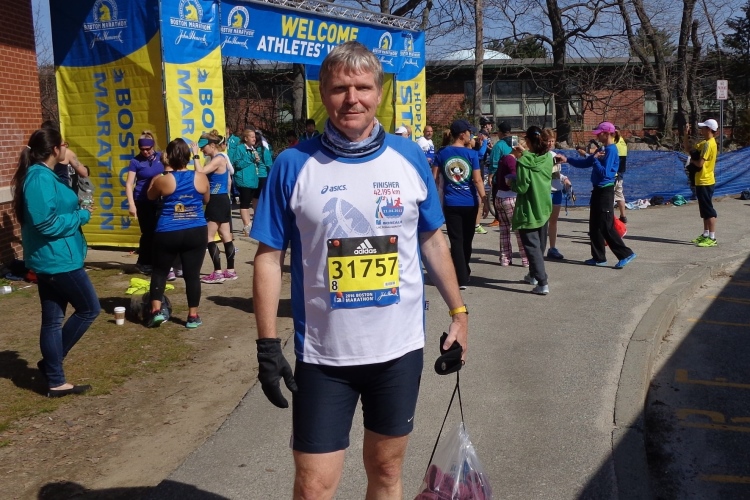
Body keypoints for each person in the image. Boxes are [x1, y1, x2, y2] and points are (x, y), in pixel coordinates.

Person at [250, 41, 468, 499]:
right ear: (323, 95)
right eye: (339, 89)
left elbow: (432, 239)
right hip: (324, 357)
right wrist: (267, 345)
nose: (352, 99)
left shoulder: (410, 157)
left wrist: (459, 314)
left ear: (379, 92)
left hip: (398, 351)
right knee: (313, 486)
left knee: (386, 472)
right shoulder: (293, 164)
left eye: (363, 87)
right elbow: (269, 257)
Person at [12, 128, 100, 397]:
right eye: (64, 144)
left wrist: (78, 209)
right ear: (54, 150)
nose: (66, 148)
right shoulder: (39, 178)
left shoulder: (45, 175)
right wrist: (81, 217)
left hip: (55, 257)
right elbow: (46, 223)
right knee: (89, 309)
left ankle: (55, 380)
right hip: (57, 260)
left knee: (52, 320)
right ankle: (53, 366)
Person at [146, 138, 209, 328]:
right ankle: (192, 316)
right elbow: (206, 200)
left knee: (160, 271)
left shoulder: (163, 179)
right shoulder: (201, 177)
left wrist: (155, 181)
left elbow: (150, 196)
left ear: (169, 157)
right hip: (195, 229)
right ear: (188, 157)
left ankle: (156, 311)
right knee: (192, 275)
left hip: (168, 230)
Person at [562, 122, 637, 268]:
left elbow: (605, 173)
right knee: (594, 225)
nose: (597, 136)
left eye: (599, 133)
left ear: (607, 133)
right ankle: (599, 257)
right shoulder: (602, 149)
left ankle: (625, 254)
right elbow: (587, 162)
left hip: (606, 191)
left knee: (606, 225)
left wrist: (595, 159)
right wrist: (567, 160)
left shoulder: (612, 150)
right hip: (597, 190)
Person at [434, 119, 489, 289]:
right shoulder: (471, 155)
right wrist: (485, 200)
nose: (471, 135)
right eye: (469, 133)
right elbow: (477, 180)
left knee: (456, 240)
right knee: (467, 240)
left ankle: (461, 275)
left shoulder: (442, 153)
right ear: (462, 134)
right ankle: (464, 273)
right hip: (469, 202)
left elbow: (434, 178)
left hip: (451, 202)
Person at [506, 126, 554, 295]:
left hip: (528, 209)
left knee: (532, 247)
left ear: (528, 141)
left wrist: (511, 183)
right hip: (544, 206)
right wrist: (525, 153)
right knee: (539, 244)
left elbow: (522, 187)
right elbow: (535, 159)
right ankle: (533, 275)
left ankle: (542, 281)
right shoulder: (548, 157)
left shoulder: (523, 162)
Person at [193, 130, 237, 283]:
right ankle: (230, 271)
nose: (201, 150)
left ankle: (217, 272)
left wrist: (195, 155)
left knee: (209, 236)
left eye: (203, 148)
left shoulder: (218, 159)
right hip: (223, 199)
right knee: (225, 235)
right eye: (200, 149)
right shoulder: (218, 158)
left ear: (212, 145)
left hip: (216, 200)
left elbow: (200, 172)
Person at [126, 131, 165, 275]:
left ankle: (159, 261)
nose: (145, 152)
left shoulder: (161, 157)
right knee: (148, 232)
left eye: (148, 149)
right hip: (142, 200)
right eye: (142, 149)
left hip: (159, 199)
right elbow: (129, 183)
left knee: (160, 231)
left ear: (153, 146)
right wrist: (131, 204)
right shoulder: (135, 161)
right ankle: (144, 262)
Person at [493, 143, 529, 267]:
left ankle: (505, 258)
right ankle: (526, 259)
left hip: (499, 197)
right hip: (510, 197)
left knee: (504, 230)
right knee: (519, 229)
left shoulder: (503, 158)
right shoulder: (511, 160)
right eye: (522, 151)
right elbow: (515, 175)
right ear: (517, 149)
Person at [685, 119, 719, 247]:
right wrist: (686, 135)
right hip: (701, 180)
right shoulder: (705, 143)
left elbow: (700, 163)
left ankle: (712, 238)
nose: (701, 130)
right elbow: (688, 149)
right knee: (704, 209)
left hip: (706, 181)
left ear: (709, 129)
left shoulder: (709, 144)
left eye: (704, 127)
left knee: (708, 210)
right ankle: (705, 234)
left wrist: (691, 162)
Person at [544, 128, 571, 260]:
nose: (550, 143)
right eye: (548, 141)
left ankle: (552, 248)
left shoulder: (554, 155)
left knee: (553, 221)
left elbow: (556, 173)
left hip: (557, 191)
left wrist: (564, 179)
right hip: (545, 191)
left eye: (552, 141)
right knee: (542, 222)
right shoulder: (538, 156)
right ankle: (539, 248)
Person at [229, 128, 261, 235]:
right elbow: (237, 164)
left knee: (250, 203)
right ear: (246, 138)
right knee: (245, 204)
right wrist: (251, 159)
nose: (254, 138)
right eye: (252, 137)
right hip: (244, 180)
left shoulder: (253, 149)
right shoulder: (240, 148)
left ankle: (250, 224)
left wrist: (256, 160)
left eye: (254, 137)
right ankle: (247, 226)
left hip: (252, 180)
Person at [40, 120, 89, 188]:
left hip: (46, 188)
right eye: (64, 144)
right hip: (62, 189)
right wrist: (86, 168)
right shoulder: (66, 153)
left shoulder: (39, 152)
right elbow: (84, 173)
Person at [252, 129, 273, 215]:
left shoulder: (251, 149)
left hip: (255, 175)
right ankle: (261, 213)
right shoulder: (263, 150)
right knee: (262, 196)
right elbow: (269, 164)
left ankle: (256, 213)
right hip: (262, 175)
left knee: (255, 196)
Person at [614, 127, 628, 224]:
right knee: (619, 194)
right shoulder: (622, 141)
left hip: (614, 173)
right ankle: (623, 216)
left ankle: (609, 218)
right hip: (621, 172)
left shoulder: (614, 142)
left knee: (609, 196)